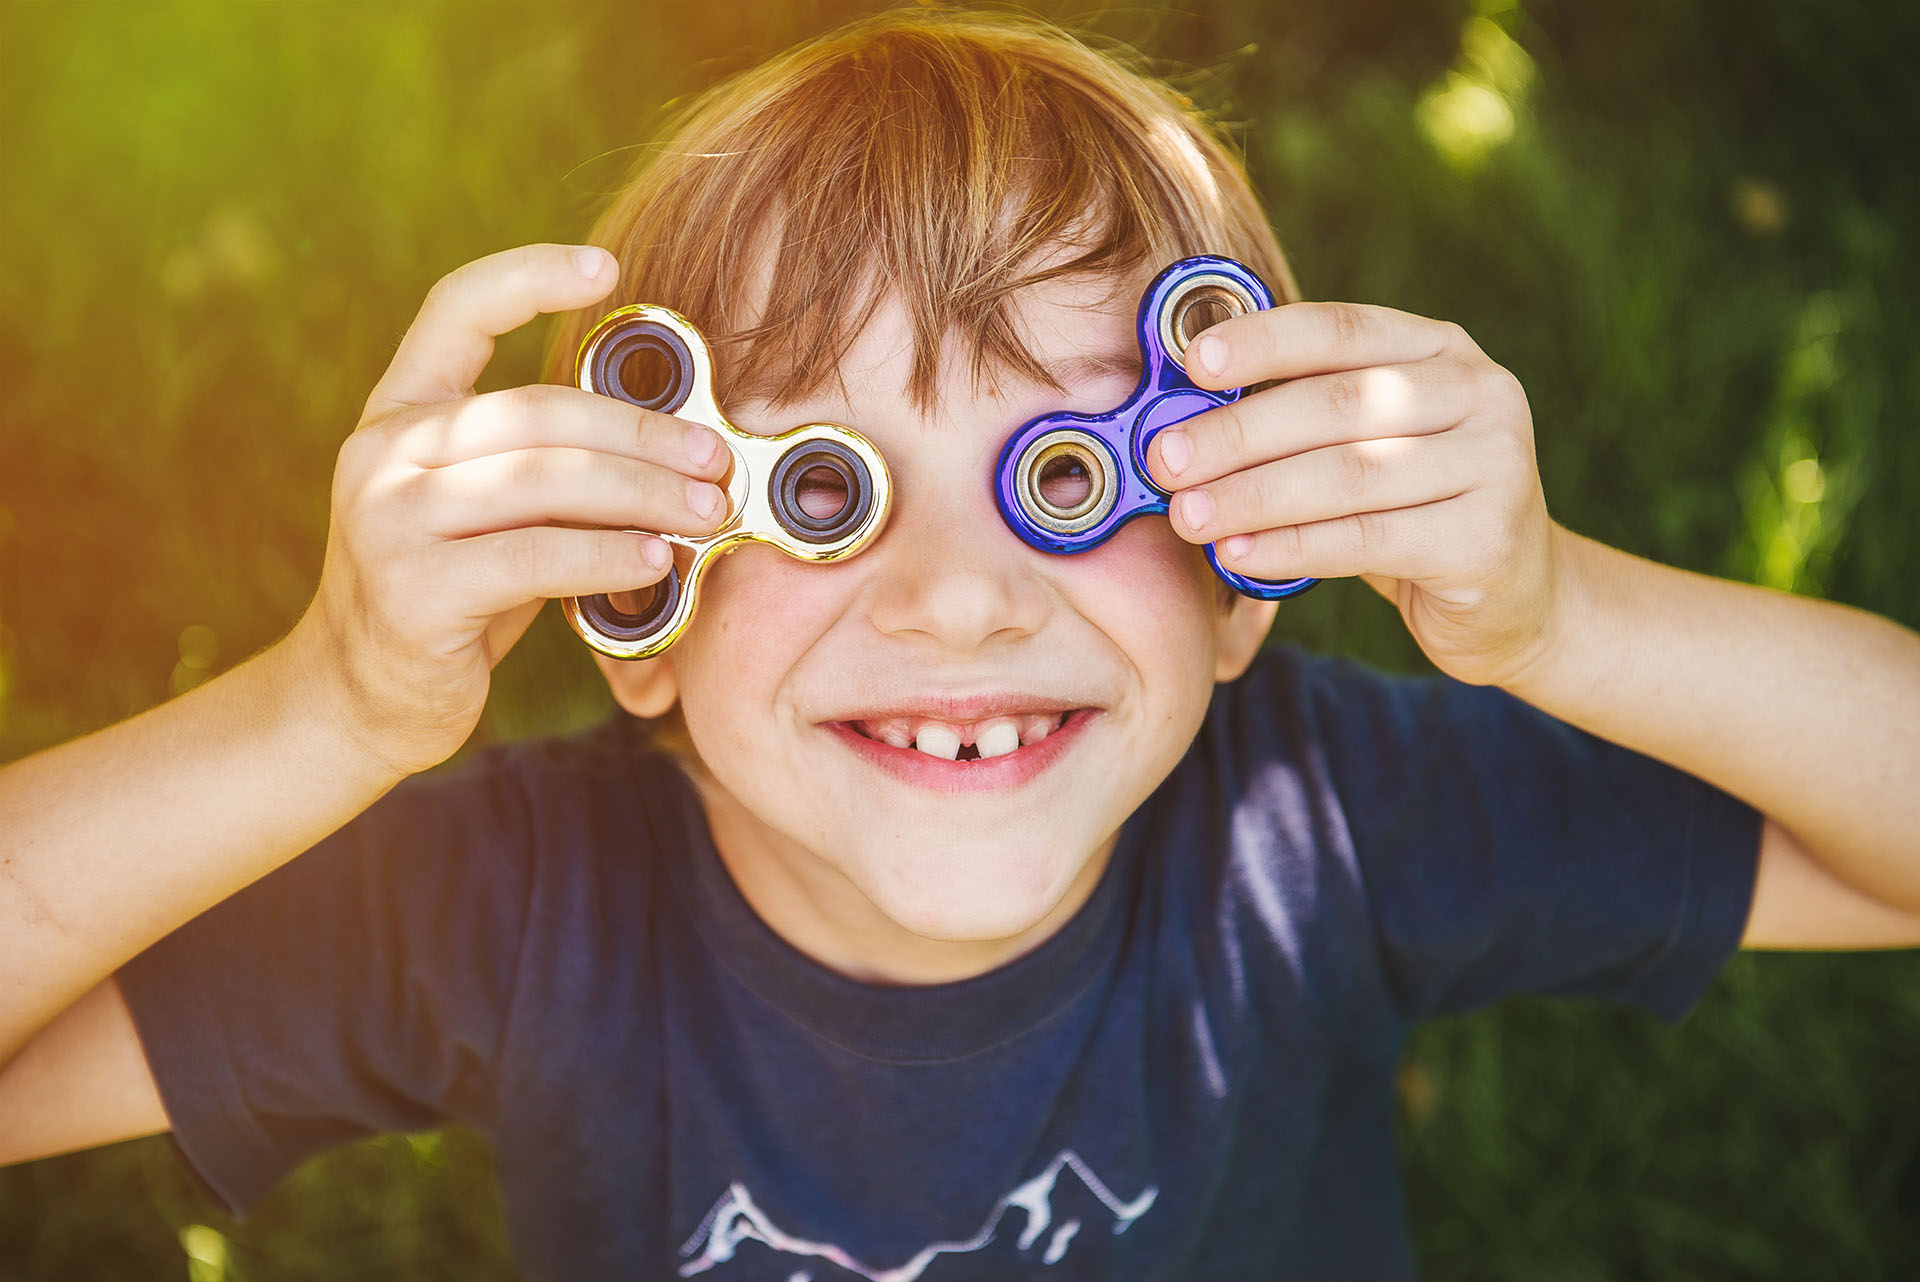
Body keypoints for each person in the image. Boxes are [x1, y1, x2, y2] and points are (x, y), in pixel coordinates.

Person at [2, 7, 1917, 1280]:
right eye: (824, 491)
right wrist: (323, 711)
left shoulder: (1318, 823)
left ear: (1250, 561)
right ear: (633, 601)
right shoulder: (516, 907)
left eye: (1062, 472)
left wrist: (1560, 612)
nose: (957, 597)